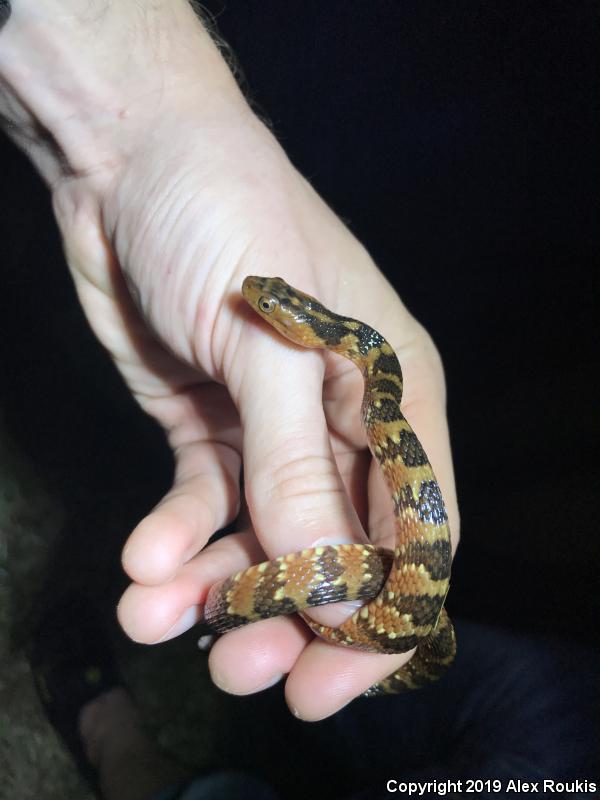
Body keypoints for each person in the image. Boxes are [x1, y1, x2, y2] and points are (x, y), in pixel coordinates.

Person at [2, 3, 599, 798]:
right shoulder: (359, 348)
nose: (259, 300)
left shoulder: (370, 366)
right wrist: (152, 129)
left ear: (308, 325)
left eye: (274, 304)